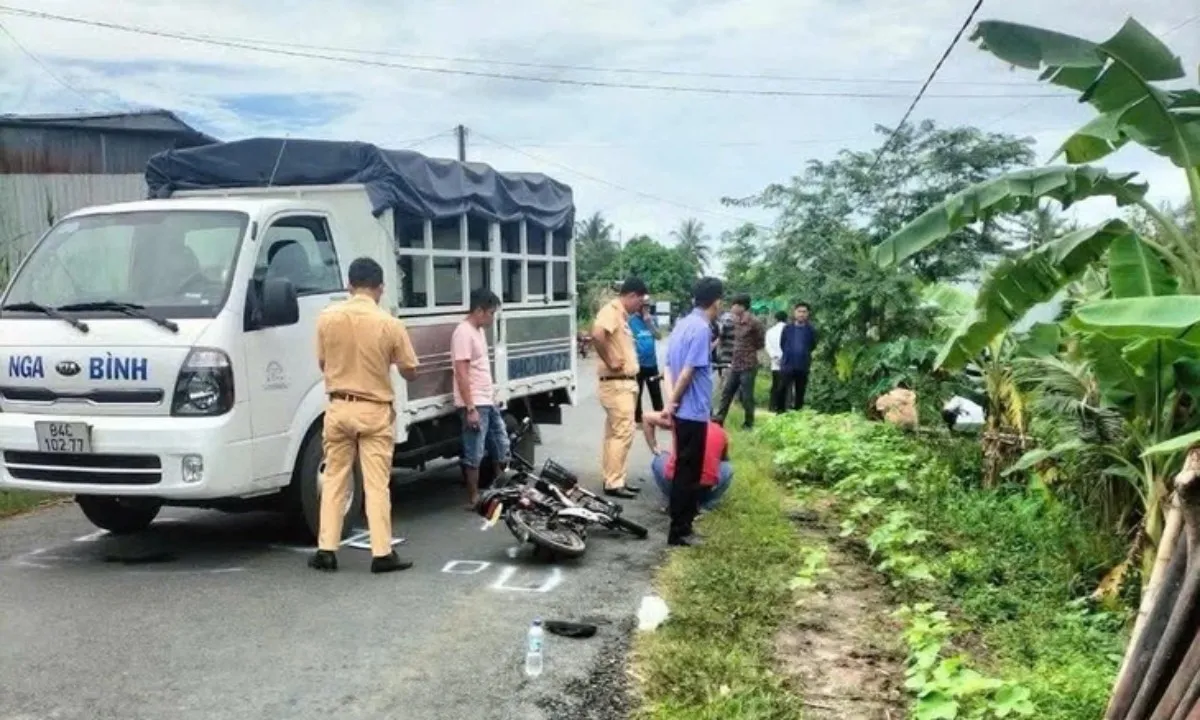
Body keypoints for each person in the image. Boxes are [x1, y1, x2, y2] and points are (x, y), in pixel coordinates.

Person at [310, 257, 418, 574]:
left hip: (339, 407)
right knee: (376, 485)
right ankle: (382, 553)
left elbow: (321, 363)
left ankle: (326, 550)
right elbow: (410, 369)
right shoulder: (389, 323)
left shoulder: (326, 318)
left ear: (349, 285)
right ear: (380, 288)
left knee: (334, 480)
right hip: (374, 410)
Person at [663, 276, 725, 547]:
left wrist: (670, 401)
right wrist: (674, 401)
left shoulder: (681, 325)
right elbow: (688, 371)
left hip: (681, 410)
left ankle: (682, 526)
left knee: (683, 472)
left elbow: (667, 367)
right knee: (688, 476)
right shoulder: (701, 328)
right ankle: (680, 531)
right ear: (717, 301)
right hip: (693, 412)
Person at [591, 278, 649, 499]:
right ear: (632, 295)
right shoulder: (612, 310)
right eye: (639, 301)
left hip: (623, 383)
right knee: (623, 431)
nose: (639, 307)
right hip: (617, 383)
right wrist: (610, 360)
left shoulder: (622, 316)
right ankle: (614, 482)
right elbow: (597, 334)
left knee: (614, 434)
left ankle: (614, 478)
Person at [452, 288, 509, 510]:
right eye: (491, 313)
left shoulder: (478, 331)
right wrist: (470, 407)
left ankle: (500, 490)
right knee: (474, 450)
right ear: (479, 310)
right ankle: (474, 497)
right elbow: (461, 372)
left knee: (500, 444)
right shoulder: (463, 333)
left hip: (486, 399)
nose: (492, 318)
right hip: (475, 401)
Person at [641, 409, 732, 512]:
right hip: (702, 487)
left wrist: (654, 447)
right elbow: (724, 459)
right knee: (727, 467)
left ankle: (674, 501)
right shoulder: (721, 432)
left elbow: (647, 417)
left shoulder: (682, 422)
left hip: (676, 483)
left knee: (659, 459)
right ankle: (705, 505)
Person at [713, 294, 765, 430]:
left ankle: (749, 423)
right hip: (735, 363)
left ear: (742, 307)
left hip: (748, 364)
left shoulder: (754, 322)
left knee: (747, 396)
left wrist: (748, 350)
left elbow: (760, 343)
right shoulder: (734, 321)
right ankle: (719, 419)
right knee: (727, 392)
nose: (732, 308)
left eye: (735, 305)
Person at [629, 298, 663, 425]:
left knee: (656, 392)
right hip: (638, 364)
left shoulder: (653, 320)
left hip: (652, 363)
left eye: (649, 307)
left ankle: (660, 416)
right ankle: (637, 419)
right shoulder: (631, 321)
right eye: (645, 307)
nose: (647, 309)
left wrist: (650, 324)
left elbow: (659, 336)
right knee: (637, 393)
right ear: (639, 307)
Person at [779, 302, 818, 411]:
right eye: (799, 311)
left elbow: (812, 345)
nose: (801, 314)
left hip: (803, 365)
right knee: (782, 389)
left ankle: (798, 412)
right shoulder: (787, 329)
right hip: (788, 364)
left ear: (808, 314)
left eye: (804, 312)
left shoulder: (811, 330)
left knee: (800, 390)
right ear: (794, 313)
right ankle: (780, 412)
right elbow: (782, 344)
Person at [765, 311, 788, 412]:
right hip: (787, 361)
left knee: (775, 384)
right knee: (787, 385)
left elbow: (768, 346)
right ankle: (784, 406)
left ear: (776, 319)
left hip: (775, 361)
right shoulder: (789, 330)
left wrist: (774, 356)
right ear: (786, 318)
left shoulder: (770, 331)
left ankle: (772, 406)